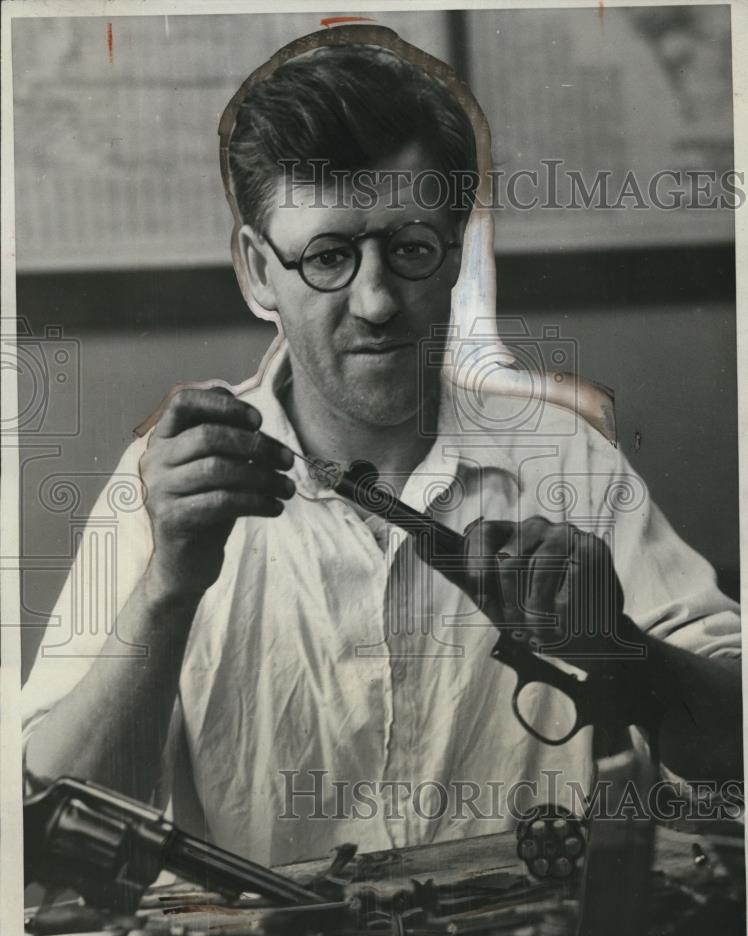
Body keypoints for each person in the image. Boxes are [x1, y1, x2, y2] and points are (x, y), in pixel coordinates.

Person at [21, 33, 742, 867]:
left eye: (408, 248)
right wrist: (166, 591)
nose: (374, 302)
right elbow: (42, 844)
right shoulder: (170, 493)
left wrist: (618, 647)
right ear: (259, 272)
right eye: (328, 256)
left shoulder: (567, 465)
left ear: (456, 255)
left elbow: (738, 760)